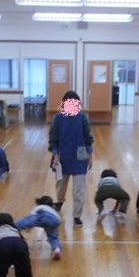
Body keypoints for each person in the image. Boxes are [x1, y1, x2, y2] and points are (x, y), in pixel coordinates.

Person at [48, 90, 94, 227]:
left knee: (79, 189)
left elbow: (88, 138)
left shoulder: (83, 118)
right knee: (61, 185)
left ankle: (77, 215)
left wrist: (90, 156)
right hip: (62, 155)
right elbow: (53, 139)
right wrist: (56, 155)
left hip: (80, 154)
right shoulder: (57, 119)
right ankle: (60, 201)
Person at [15, 196, 62, 260]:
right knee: (53, 237)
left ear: (39, 202)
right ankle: (57, 249)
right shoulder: (53, 210)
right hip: (55, 220)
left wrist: (18, 227)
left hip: (42, 215)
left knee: (22, 223)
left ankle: (13, 228)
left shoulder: (39, 208)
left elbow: (29, 220)